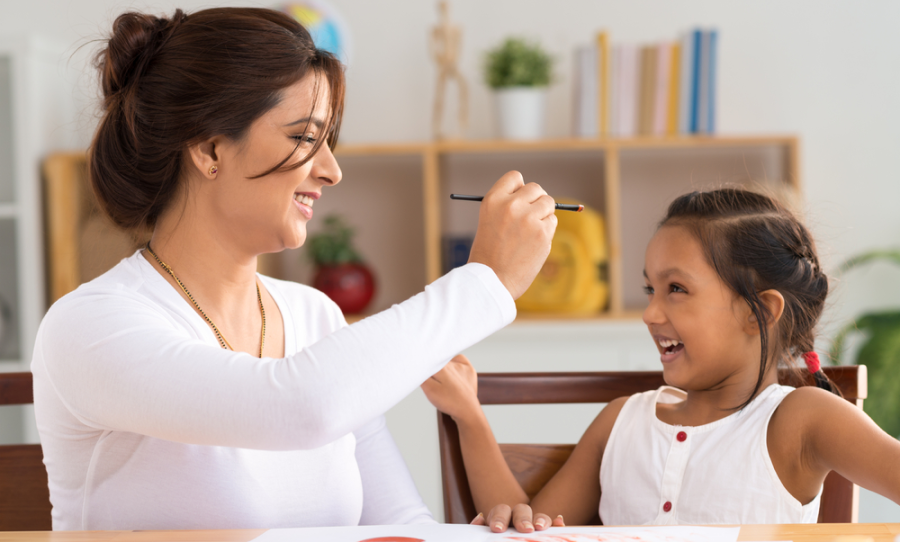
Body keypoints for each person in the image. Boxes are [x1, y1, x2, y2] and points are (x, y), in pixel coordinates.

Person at [31, 7, 558, 531]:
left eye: (329, 141)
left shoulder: (314, 315)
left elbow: (399, 522)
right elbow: (300, 406)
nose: (331, 170)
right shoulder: (89, 327)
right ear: (210, 147)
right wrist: (486, 283)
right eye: (305, 138)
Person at [424, 188, 900, 532]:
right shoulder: (621, 421)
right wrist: (470, 416)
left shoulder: (801, 418)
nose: (651, 312)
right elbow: (530, 528)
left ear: (760, 313)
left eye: (677, 289)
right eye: (651, 289)